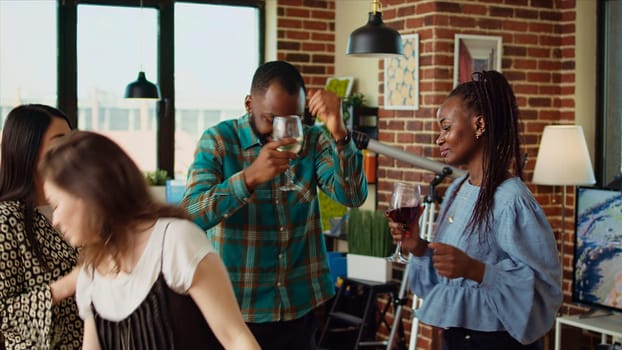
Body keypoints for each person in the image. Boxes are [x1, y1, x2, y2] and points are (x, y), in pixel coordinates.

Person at [181, 60, 368, 349]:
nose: (283, 133)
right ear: (248, 104)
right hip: (235, 310)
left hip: (298, 307)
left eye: (293, 121)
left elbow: (353, 197)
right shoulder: (218, 140)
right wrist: (248, 179)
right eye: (271, 120)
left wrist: (340, 134)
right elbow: (190, 215)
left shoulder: (314, 140)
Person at [39, 131, 260, 350]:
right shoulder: (91, 272)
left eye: (57, 204)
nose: (55, 220)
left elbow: (236, 339)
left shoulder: (176, 241)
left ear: (88, 194)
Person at [389, 71, 562, 349]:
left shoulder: (512, 200)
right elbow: (446, 281)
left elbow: (543, 292)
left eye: (446, 128)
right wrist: (419, 248)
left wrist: (476, 270)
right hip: (457, 339)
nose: (439, 139)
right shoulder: (458, 189)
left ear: (479, 124)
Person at [0, 104, 83, 349]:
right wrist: (67, 285)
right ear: (27, 148)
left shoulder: (77, 209)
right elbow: (3, 313)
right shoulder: (7, 219)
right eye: (59, 141)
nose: (71, 151)